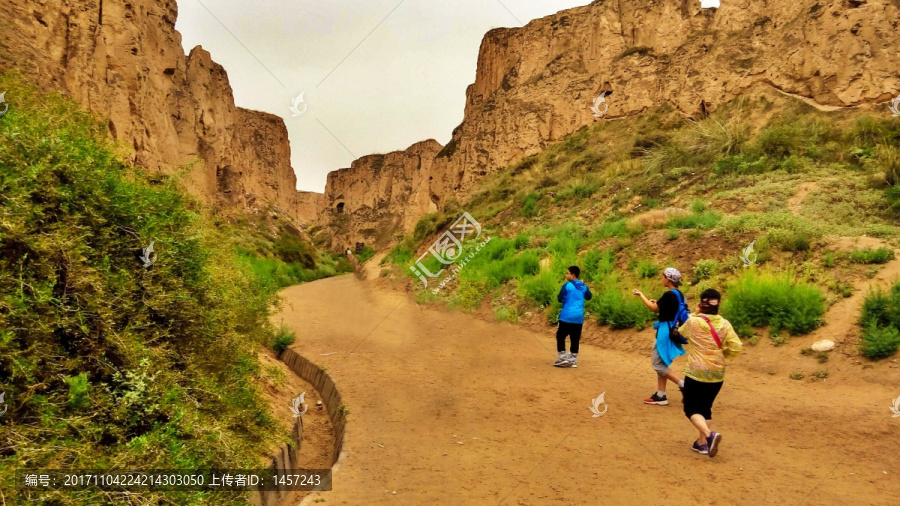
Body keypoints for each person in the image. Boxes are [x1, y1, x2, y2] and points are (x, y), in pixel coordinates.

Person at [677, 288, 742, 458]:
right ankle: (702, 444)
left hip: (696, 372)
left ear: (701, 303)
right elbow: (737, 346)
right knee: (705, 408)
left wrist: (695, 314)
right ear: (718, 303)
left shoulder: (694, 322)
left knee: (690, 408)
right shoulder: (725, 324)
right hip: (717, 373)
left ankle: (709, 434)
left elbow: (681, 333)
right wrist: (722, 354)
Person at [632, 267, 688, 406]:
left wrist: (641, 295)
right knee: (662, 363)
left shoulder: (669, 295)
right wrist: (657, 303)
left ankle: (683, 385)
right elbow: (663, 307)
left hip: (665, 330)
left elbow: (653, 308)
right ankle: (661, 395)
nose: (661, 278)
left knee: (657, 364)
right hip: (673, 328)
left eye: (663, 276)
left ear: (668, 279)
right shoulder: (679, 294)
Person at [554, 266, 592, 368]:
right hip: (578, 317)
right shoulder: (583, 286)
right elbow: (589, 297)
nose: (566, 275)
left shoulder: (567, 286)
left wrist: (565, 299)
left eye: (567, 273)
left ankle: (562, 358)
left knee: (560, 335)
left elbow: (559, 298)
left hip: (567, 315)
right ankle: (572, 360)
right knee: (575, 338)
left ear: (573, 275)